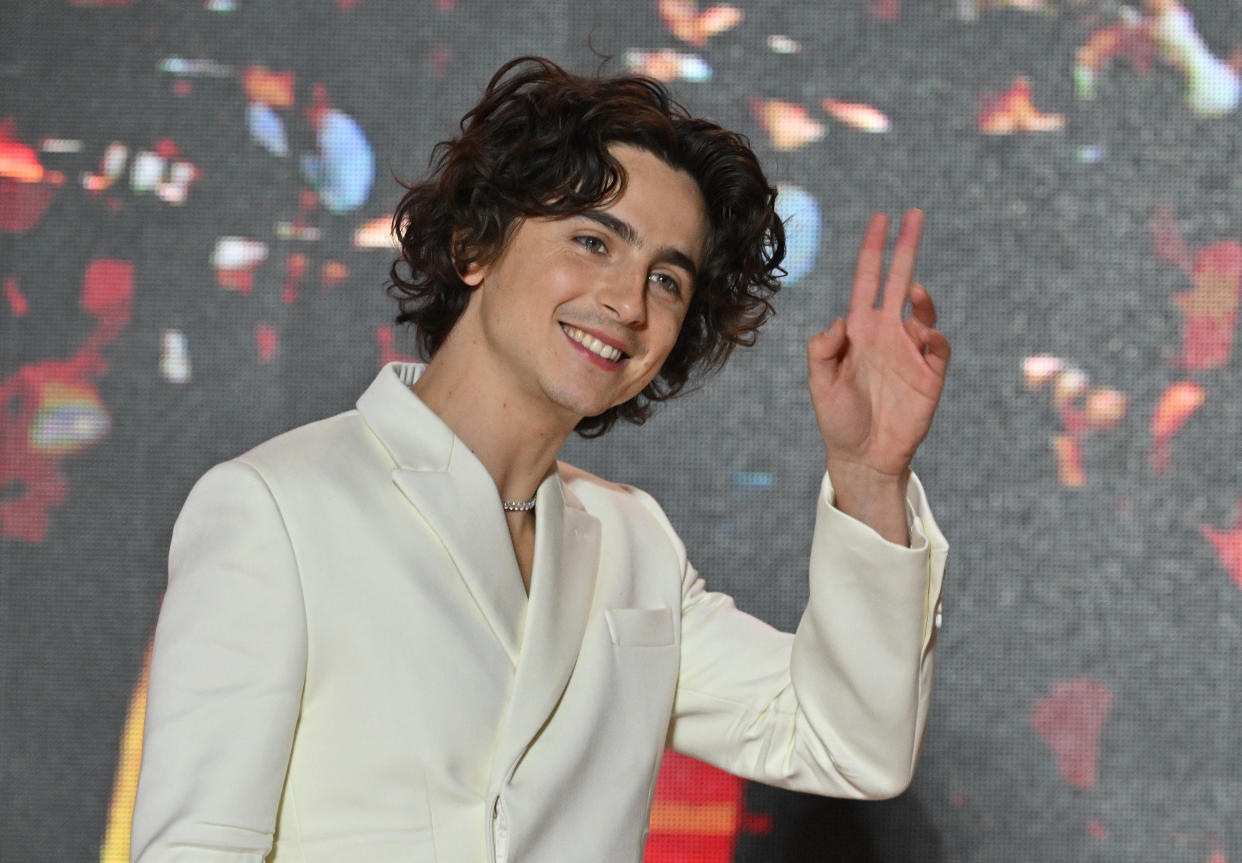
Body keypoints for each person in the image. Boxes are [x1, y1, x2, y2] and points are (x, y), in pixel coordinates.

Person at [130, 57, 950, 863]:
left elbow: (852, 743)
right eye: (594, 241)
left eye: (667, 279)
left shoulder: (635, 543)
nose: (628, 302)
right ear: (475, 245)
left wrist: (870, 475)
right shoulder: (274, 506)